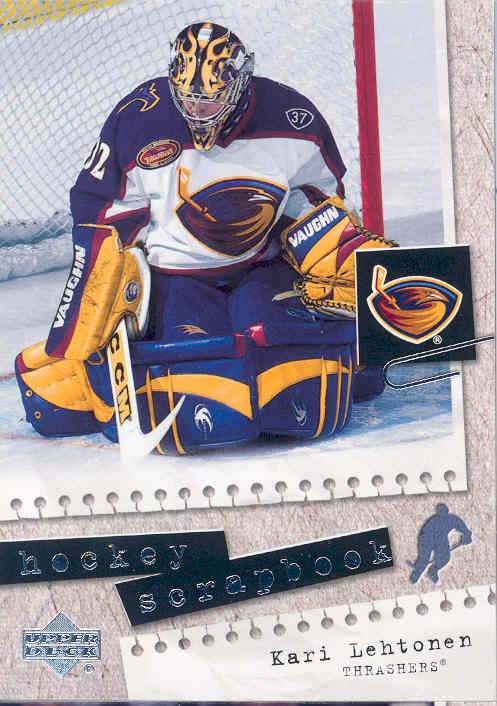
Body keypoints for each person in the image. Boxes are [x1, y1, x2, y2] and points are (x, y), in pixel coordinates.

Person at [16, 22, 393, 454]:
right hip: (176, 278)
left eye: (210, 99)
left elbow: (316, 199)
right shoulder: (137, 119)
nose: (197, 110)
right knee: (196, 369)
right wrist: (113, 268)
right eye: (189, 98)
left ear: (239, 84)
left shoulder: (294, 119)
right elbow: (98, 206)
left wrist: (328, 244)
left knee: (284, 362)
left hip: (262, 268)